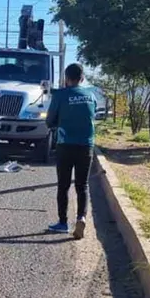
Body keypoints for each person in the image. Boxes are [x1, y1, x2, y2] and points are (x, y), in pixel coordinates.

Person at [45, 63, 98, 238]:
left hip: (65, 145)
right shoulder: (91, 95)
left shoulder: (60, 95)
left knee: (64, 185)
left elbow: (49, 121)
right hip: (86, 146)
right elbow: (92, 114)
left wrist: (57, 122)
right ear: (82, 78)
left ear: (66, 78)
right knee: (82, 185)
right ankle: (81, 217)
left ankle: (63, 223)